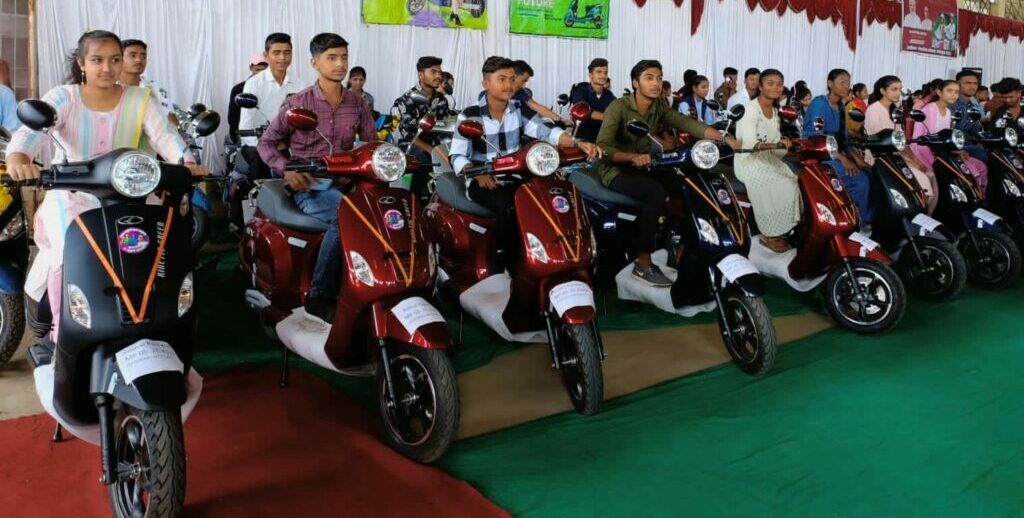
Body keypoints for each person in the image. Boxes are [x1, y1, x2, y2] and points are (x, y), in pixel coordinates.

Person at [4, 30, 206, 338]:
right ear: (82, 63)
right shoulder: (64, 96)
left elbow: (165, 136)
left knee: (160, 249)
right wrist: (19, 159)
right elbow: (28, 134)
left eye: (114, 59)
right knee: (68, 250)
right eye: (97, 60)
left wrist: (187, 163)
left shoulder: (139, 99)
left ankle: (159, 326)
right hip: (71, 195)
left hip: (132, 195)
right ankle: (64, 334)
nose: (107, 68)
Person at [257, 33, 377, 323]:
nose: (340, 64)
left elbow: (373, 144)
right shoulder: (298, 104)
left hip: (348, 182)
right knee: (346, 217)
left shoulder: (356, 103)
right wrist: (288, 169)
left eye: (344, 58)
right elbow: (266, 143)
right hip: (311, 185)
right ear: (314, 62)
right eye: (332, 58)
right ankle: (319, 295)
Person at [448, 56, 601, 274]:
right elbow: (457, 156)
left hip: (518, 175)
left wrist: (578, 142)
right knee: (508, 207)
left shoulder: (518, 109)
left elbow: (546, 132)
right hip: (485, 179)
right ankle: (501, 263)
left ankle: (554, 254)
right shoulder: (470, 115)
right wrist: (475, 172)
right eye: (501, 79)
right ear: (486, 84)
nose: (508, 85)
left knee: (551, 197)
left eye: (511, 79)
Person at [596, 59, 739, 287]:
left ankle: (684, 248)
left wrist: (724, 138)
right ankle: (643, 264)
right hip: (616, 169)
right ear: (635, 83)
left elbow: (686, 123)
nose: (656, 83)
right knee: (654, 192)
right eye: (649, 78)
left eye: (659, 78)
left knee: (689, 183)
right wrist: (632, 157)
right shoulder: (618, 108)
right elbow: (603, 149)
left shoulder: (659, 106)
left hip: (649, 165)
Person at [734, 69, 801, 252]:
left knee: (796, 178)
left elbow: (776, 144)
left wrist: (784, 145)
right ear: (761, 86)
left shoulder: (774, 111)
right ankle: (770, 234)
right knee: (784, 184)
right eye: (770, 83)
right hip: (748, 161)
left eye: (779, 83)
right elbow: (748, 144)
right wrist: (776, 146)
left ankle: (787, 229)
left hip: (767, 159)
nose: (776, 87)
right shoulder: (750, 109)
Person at [803, 69, 874, 225]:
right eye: (842, 82)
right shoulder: (820, 104)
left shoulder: (841, 107)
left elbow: (844, 139)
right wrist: (844, 160)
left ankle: (865, 216)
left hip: (834, 153)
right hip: (818, 155)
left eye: (848, 83)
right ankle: (855, 221)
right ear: (830, 84)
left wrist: (858, 159)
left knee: (870, 173)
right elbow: (818, 138)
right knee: (860, 180)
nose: (846, 86)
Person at [863, 75, 938, 213]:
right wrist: (912, 161)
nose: (898, 93)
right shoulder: (874, 110)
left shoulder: (894, 111)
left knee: (930, 174)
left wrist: (915, 159)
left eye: (900, 89)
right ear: (883, 91)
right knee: (922, 179)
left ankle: (924, 219)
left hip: (896, 156)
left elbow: (901, 140)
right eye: (894, 89)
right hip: (881, 158)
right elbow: (884, 142)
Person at [240, 33, 305, 181]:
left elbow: (301, 121)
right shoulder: (254, 84)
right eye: (277, 53)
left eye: (287, 52)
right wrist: (266, 146)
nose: (282, 57)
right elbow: (246, 125)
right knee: (262, 182)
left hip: (287, 145)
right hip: (257, 144)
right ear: (266, 55)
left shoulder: (299, 84)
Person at [392, 56, 454, 200]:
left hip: (435, 147)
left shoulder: (441, 99)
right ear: (421, 75)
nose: (438, 76)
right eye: (433, 72)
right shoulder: (408, 99)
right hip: (412, 147)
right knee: (424, 159)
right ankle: (418, 199)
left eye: (440, 72)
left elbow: (444, 126)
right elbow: (409, 135)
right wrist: (432, 151)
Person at [910, 79, 988, 192]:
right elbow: (922, 141)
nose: (954, 95)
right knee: (967, 171)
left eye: (956, 92)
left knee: (981, 166)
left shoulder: (947, 112)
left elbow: (946, 139)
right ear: (939, 92)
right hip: (924, 152)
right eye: (949, 91)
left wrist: (956, 151)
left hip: (943, 153)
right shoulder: (930, 109)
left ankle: (979, 197)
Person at [569, 58, 616, 143]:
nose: (603, 76)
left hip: (604, 140)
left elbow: (618, 110)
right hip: (583, 141)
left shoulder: (609, 95)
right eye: (599, 72)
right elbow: (587, 112)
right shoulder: (580, 92)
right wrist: (610, 118)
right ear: (590, 75)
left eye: (605, 73)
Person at [227, 53, 269, 142]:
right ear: (251, 68)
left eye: (264, 71)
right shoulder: (238, 89)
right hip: (244, 134)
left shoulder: (273, 88)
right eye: (257, 69)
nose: (260, 74)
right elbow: (232, 119)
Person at [951, 69, 986, 163]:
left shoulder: (972, 106)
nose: (972, 87)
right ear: (958, 85)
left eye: (975, 83)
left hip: (971, 144)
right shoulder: (952, 104)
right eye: (968, 83)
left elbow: (976, 130)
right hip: (956, 146)